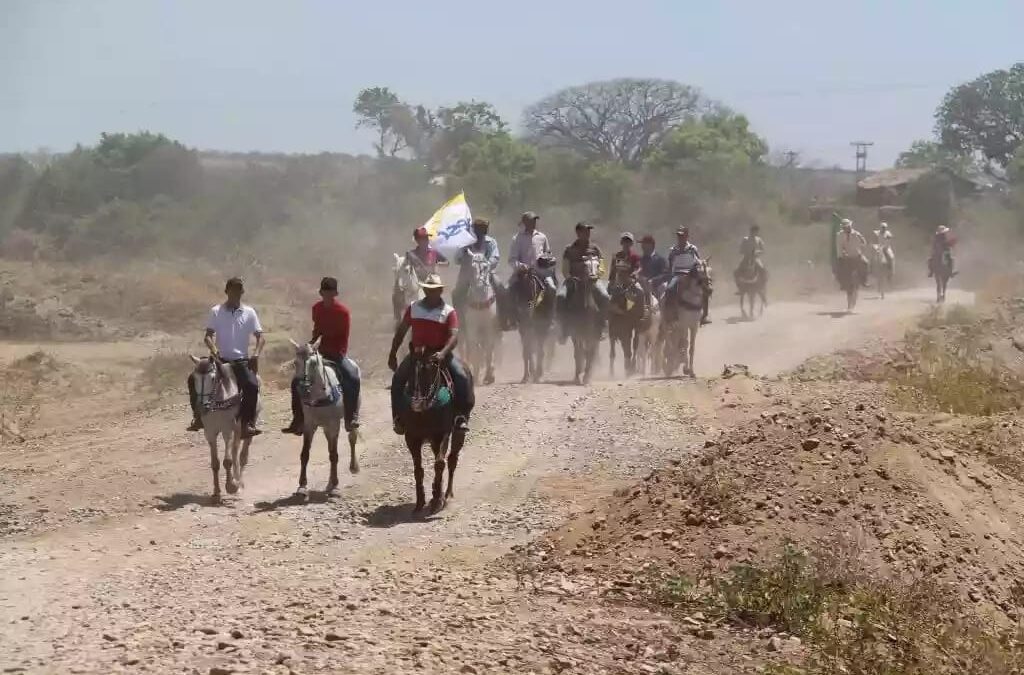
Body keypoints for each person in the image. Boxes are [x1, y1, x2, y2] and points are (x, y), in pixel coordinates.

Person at [388, 273, 474, 435]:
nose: (430, 292)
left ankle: (460, 417)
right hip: (417, 354)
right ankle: (398, 418)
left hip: (441, 354)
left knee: (462, 377)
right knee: (398, 379)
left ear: (440, 291)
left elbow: (454, 336)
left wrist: (442, 353)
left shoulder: (449, 312)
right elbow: (401, 331)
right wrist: (393, 353)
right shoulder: (413, 308)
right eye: (428, 289)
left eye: (434, 290)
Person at [281, 277, 362, 435]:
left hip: (336, 352)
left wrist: (322, 339)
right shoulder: (316, 308)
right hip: (318, 350)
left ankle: (351, 416)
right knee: (297, 381)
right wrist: (311, 344)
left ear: (335, 293)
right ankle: (298, 419)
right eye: (325, 293)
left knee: (352, 377)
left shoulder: (343, 312)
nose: (327, 296)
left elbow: (341, 334)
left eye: (330, 293)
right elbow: (316, 329)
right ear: (321, 293)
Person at [187, 277, 265, 438]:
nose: (236, 293)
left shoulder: (249, 312)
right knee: (192, 379)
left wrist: (256, 354)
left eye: (239, 290)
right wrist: (214, 349)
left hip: (240, 360)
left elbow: (260, 337)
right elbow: (207, 336)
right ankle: (198, 417)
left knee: (252, 385)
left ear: (242, 292)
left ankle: (247, 423)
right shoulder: (216, 311)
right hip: (220, 359)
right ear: (226, 291)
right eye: (233, 290)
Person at [508, 211, 557, 312]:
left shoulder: (542, 237)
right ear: (525, 222)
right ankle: (510, 317)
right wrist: (521, 266)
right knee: (508, 290)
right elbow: (512, 259)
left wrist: (549, 259)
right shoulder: (517, 238)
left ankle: (551, 316)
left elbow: (548, 253)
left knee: (552, 288)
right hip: (522, 272)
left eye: (535, 220)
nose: (534, 223)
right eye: (531, 221)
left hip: (541, 272)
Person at [560, 221, 610, 314]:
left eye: (589, 231)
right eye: (585, 231)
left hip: (592, 280)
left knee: (605, 297)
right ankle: (561, 322)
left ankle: (604, 320)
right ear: (578, 233)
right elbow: (565, 268)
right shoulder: (569, 249)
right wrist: (569, 277)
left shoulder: (595, 249)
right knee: (561, 296)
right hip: (574, 280)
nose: (588, 233)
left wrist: (597, 275)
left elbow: (602, 265)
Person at [453, 218, 500, 310]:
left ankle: (504, 318)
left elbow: (495, 257)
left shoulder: (490, 242)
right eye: (479, 229)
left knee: (501, 288)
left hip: (487, 273)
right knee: (456, 293)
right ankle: (459, 319)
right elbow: (457, 259)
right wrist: (463, 253)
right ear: (474, 230)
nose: (481, 233)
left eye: (483, 230)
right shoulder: (465, 243)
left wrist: (486, 264)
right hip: (467, 274)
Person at [835, 219, 869, 286]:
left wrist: (861, 249)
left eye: (847, 227)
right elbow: (839, 246)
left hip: (857, 255)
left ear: (850, 226)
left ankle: (864, 281)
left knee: (865, 263)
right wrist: (842, 255)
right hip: (846, 256)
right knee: (838, 267)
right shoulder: (839, 235)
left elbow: (864, 242)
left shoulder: (857, 234)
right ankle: (842, 283)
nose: (845, 228)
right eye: (844, 227)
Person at [734, 224, 766, 291]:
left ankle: (763, 285)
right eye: (753, 231)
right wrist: (746, 252)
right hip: (746, 258)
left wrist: (757, 252)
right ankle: (739, 288)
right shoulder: (745, 239)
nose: (755, 232)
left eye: (756, 231)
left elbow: (763, 250)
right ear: (751, 231)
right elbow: (741, 250)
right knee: (736, 271)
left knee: (762, 269)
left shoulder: (759, 239)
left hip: (755, 258)